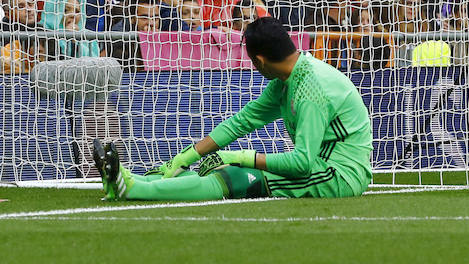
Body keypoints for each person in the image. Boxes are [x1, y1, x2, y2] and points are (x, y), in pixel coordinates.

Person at [92, 16, 373, 201]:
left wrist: (242, 157)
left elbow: (303, 164)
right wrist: (183, 158)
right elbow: (242, 122)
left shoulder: (312, 91)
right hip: (322, 166)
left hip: (340, 175)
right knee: (217, 170)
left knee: (238, 175)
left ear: (260, 59)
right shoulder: (290, 76)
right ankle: (131, 180)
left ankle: (135, 189)